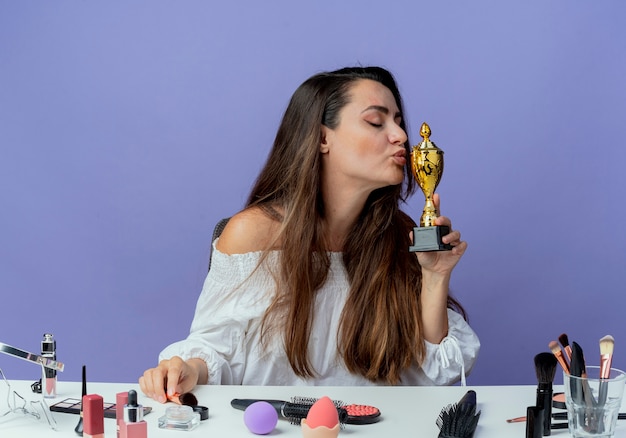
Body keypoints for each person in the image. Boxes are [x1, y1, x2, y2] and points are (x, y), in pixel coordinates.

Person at [139, 66, 480, 403]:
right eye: (377, 122)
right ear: (321, 138)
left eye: (399, 122)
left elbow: (435, 373)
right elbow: (216, 350)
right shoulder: (253, 234)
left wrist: (435, 277)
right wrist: (187, 370)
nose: (401, 136)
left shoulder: (401, 235)